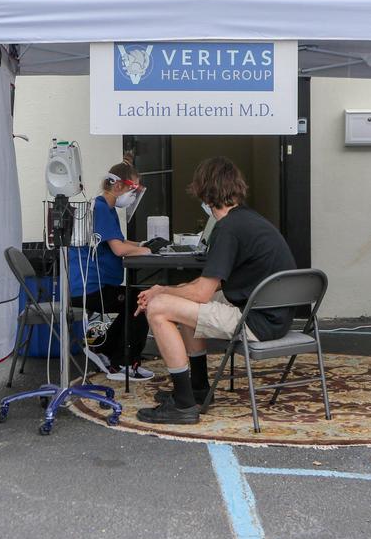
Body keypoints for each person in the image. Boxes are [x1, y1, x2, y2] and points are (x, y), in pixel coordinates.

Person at [134, 156, 296, 424]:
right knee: (181, 299)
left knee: (159, 308)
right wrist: (169, 290)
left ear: (204, 191)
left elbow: (201, 295)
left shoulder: (228, 229)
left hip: (256, 321)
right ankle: (198, 387)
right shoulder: (248, 219)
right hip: (273, 313)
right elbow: (204, 287)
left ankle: (184, 404)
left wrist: (160, 293)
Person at [68, 162, 155, 381]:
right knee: (141, 300)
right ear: (118, 186)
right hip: (88, 288)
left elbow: (119, 240)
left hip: (93, 285)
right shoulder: (100, 209)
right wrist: (148, 250)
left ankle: (104, 351)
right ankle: (125, 363)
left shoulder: (105, 207)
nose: (133, 197)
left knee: (128, 301)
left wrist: (143, 243)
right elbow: (118, 249)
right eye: (132, 191)